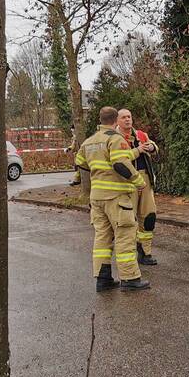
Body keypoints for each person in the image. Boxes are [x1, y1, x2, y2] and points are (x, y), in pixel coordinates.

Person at [74, 106, 150, 292]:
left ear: (100, 120)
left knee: (102, 238)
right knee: (125, 236)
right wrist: (139, 181)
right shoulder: (115, 139)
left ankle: (103, 279)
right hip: (116, 197)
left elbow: (80, 163)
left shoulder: (90, 141)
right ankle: (130, 278)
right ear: (115, 120)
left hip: (97, 198)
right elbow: (120, 164)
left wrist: (99, 171)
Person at [116, 108, 159, 266]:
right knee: (129, 219)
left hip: (145, 178)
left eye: (129, 116)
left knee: (149, 217)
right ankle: (129, 252)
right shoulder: (114, 138)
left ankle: (145, 252)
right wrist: (137, 150)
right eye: (124, 117)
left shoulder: (141, 135)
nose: (128, 119)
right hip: (127, 182)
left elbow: (154, 147)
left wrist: (151, 147)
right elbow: (118, 160)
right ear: (117, 120)